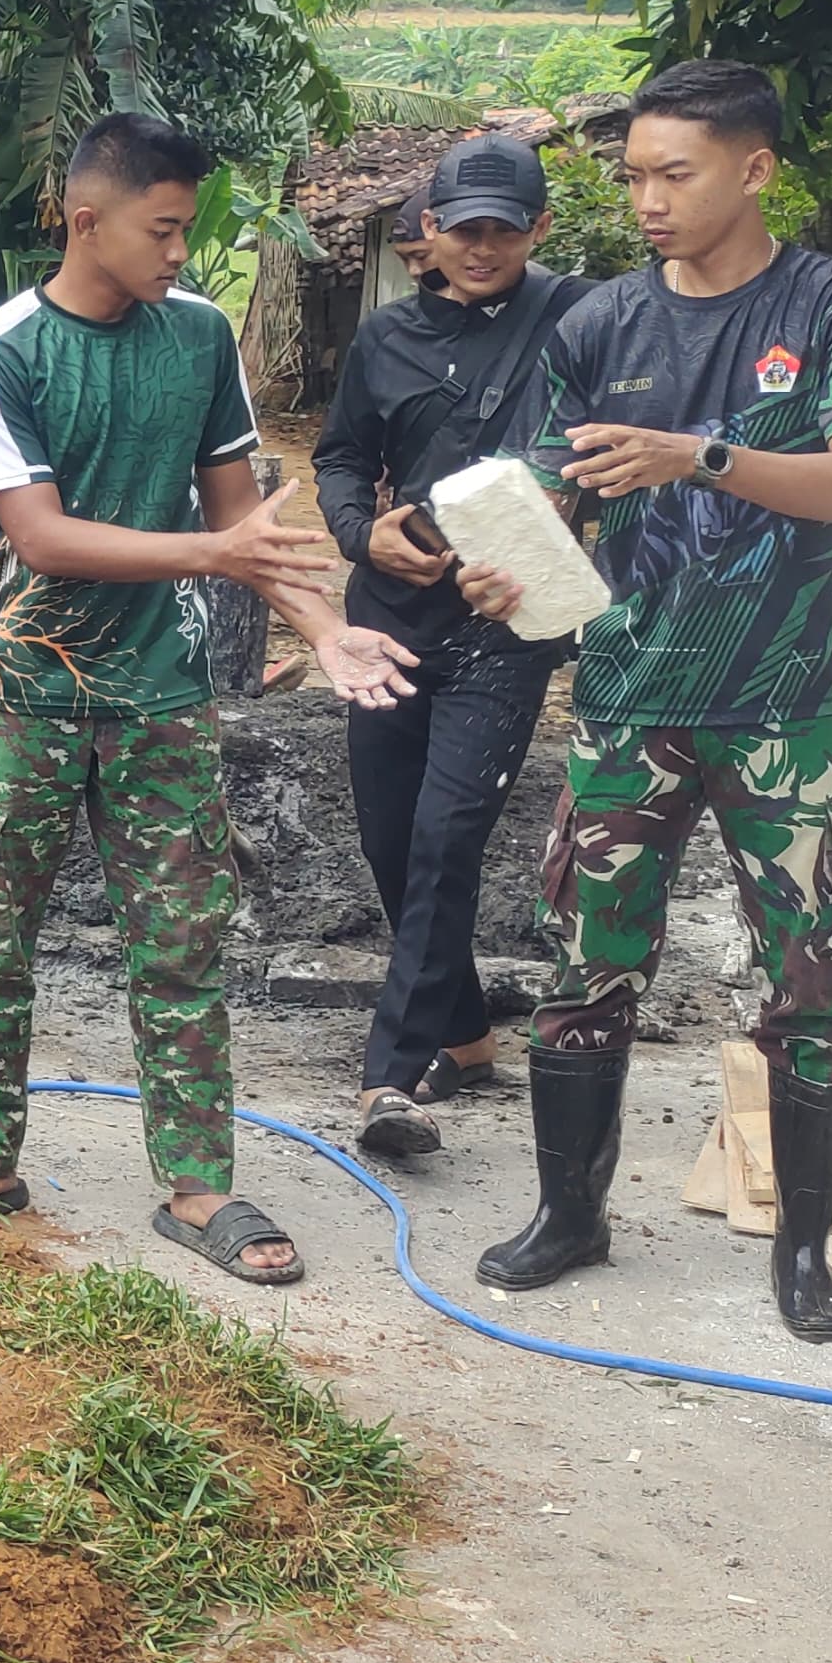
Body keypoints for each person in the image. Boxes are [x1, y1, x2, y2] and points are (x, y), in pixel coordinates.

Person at [0, 113, 423, 1287]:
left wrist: (325, 627)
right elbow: (41, 539)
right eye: (161, 230)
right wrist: (218, 561)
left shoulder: (196, 338)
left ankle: (198, 1184)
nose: (178, 255)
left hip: (156, 693)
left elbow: (236, 520)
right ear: (82, 218)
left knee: (180, 944)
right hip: (22, 694)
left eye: (186, 232)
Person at [457, 60, 832, 1345]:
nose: (646, 200)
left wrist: (698, 454)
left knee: (810, 982)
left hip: (788, 708)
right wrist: (495, 563)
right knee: (585, 964)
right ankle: (568, 1216)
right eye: (632, 175)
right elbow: (556, 493)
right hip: (626, 696)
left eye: (674, 173)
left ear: (753, 169)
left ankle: (804, 1257)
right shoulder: (597, 324)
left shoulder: (831, 305)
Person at [311, 133, 595, 1159]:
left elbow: (591, 453)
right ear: (426, 230)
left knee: (444, 838)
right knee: (389, 840)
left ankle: (389, 1077)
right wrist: (362, 530)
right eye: (463, 229)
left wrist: (551, 522)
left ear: (537, 230)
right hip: (388, 614)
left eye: (503, 231)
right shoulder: (384, 337)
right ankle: (467, 1035)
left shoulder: (577, 319)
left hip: (506, 625)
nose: (481, 248)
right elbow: (342, 459)